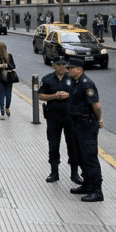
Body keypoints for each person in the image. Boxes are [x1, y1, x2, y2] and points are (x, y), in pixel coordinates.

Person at [37, 57, 81, 185]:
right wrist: (54, 96)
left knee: (72, 144)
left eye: (63, 65)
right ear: (54, 66)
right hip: (53, 116)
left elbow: (79, 95)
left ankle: (74, 173)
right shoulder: (47, 79)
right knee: (53, 144)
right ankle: (54, 172)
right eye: (59, 65)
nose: (62, 67)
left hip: (69, 117)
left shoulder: (72, 79)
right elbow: (40, 95)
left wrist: (68, 95)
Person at [67, 58, 104, 202]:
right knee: (79, 156)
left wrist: (98, 120)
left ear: (79, 70)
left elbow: (96, 106)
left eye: (71, 68)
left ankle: (96, 190)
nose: (68, 69)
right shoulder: (75, 82)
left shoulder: (86, 84)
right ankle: (87, 185)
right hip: (77, 125)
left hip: (86, 125)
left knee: (89, 158)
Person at [0, 42, 16, 120]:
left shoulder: (9, 56)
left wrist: (7, 65)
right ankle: (2, 113)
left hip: (8, 79)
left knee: (8, 96)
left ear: (0, 48)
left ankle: (7, 107)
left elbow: (13, 66)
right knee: (1, 95)